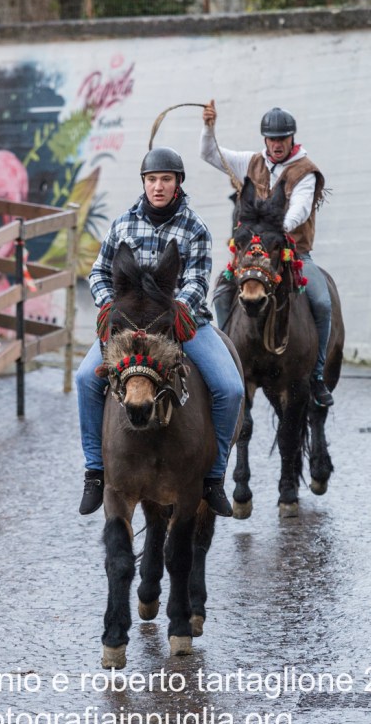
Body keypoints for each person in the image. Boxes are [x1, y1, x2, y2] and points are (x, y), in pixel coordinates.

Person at [76, 146, 244, 517]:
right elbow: (99, 272)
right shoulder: (122, 224)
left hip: (181, 323)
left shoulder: (195, 228)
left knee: (230, 389)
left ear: (178, 183)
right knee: (85, 378)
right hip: (127, 328)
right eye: (152, 179)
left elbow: (198, 279)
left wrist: (174, 310)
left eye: (166, 179)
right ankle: (95, 472)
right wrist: (109, 306)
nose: (158, 186)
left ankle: (214, 477)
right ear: (144, 182)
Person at [200, 101, 334, 408]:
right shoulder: (251, 162)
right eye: (272, 139)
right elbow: (209, 154)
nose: (277, 144)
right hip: (249, 257)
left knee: (322, 303)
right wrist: (209, 127)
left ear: (292, 138)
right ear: (265, 139)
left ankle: (316, 374)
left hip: (292, 253)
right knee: (220, 295)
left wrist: (277, 229)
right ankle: (229, 362)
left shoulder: (305, 171)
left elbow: (300, 208)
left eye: (282, 138)